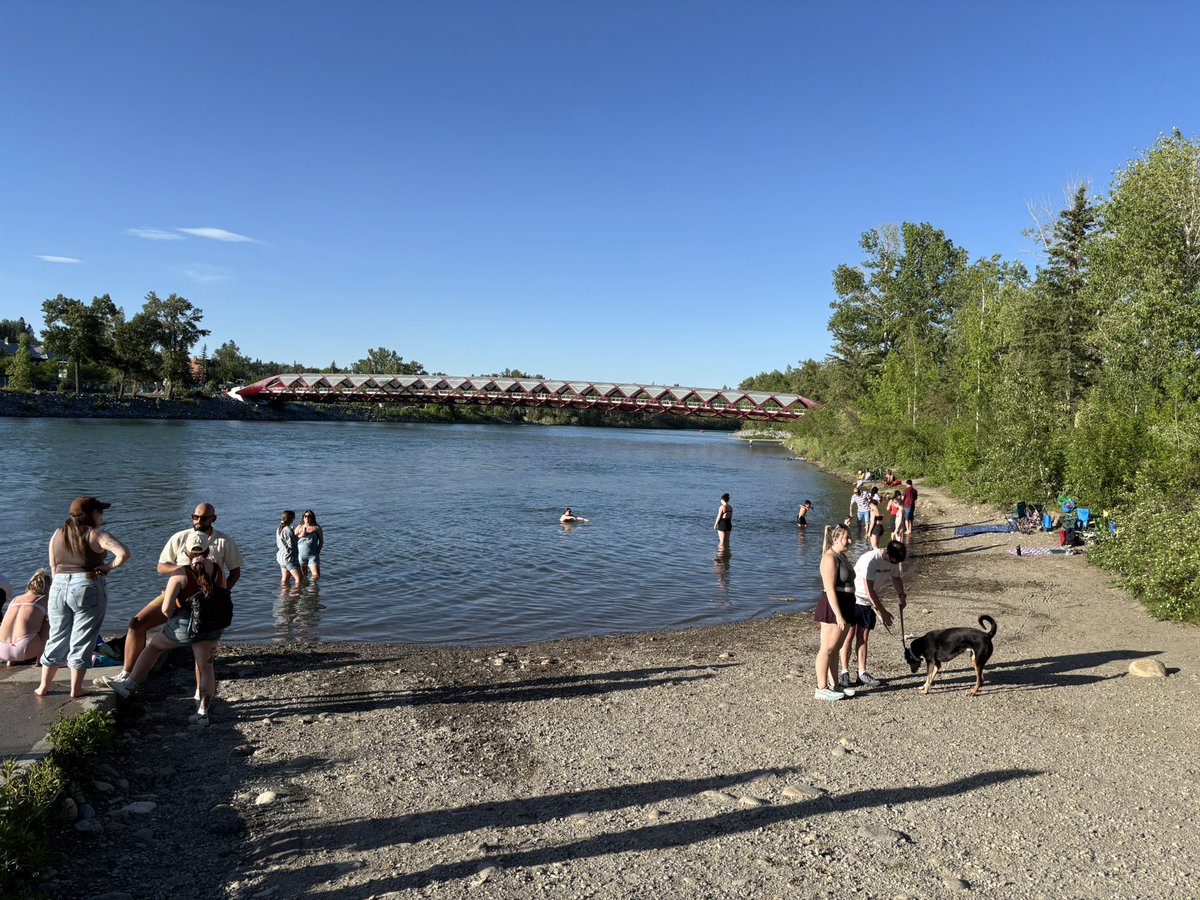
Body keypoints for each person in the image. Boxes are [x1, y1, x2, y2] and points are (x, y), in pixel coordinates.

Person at [108, 502, 243, 689]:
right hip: (176, 593)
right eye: (195, 517)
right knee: (137, 623)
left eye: (203, 518)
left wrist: (222, 595)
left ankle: (199, 694)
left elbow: (235, 571)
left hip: (206, 602)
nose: (198, 520)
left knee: (200, 651)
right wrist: (184, 571)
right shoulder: (180, 538)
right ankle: (127, 673)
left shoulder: (223, 542)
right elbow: (161, 566)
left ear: (214, 518)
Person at [107, 532, 226, 725]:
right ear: (208, 550)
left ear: (186, 551)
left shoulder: (180, 573)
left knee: (154, 647)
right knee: (206, 667)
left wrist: (172, 617)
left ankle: (128, 684)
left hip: (184, 626)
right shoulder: (218, 570)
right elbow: (223, 595)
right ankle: (203, 713)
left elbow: (166, 608)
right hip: (211, 625)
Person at [36, 497, 131, 698]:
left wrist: (60, 586)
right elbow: (123, 553)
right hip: (86, 585)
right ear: (92, 514)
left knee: (57, 635)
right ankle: (76, 689)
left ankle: (43, 686)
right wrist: (108, 567)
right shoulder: (96, 534)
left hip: (58, 585)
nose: (102, 516)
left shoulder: (57, 533)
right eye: (100, 512)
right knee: (83, 637)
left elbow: (53, 565)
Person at [839, 539, 907, 689]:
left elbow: (896, 578)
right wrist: (883, 612)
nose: (894, 564)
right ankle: (844, 672)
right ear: (887, 552)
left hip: (869, 602)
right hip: (854, 598)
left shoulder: (893, 561)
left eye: (897, 562)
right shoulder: (871, 560)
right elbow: (869, 591)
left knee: (863, 637)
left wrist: (901, 595)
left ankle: (862, 673)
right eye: (894, 561)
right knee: (848, 636)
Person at [813, 524, 857, 701]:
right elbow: (829, 589)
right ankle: (821, 687)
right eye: (847, 537)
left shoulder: (842, 556)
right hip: (834, 605)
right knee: (827, 648)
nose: (850, 540)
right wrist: (838, 614)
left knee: (837, 647)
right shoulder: (829, 558)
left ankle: (834, 683)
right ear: (836, 538)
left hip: (847, 603)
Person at [1, 569, 51, 665]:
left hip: (2, 650)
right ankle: (40, 659)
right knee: (47, 622)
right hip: (25, 649)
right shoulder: (43, 599)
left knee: (12, 622)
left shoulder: (15, 600)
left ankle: (10, 661)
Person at [295, 509, 324, 581]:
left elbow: (321, 541)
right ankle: (304, 590)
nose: (307, 518)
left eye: (309, 516)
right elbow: (292, 540)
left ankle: (312, 589)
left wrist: (318, 551)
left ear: (312, 517)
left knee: (316, 575)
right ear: (303, 517)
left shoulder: (317, 527)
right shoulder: (299, 527)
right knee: (303, 576)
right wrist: (301, 535)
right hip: (301, 555)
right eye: (305, 516)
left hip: (313, 555)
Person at [277, 510, 302, 589]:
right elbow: (292, 545)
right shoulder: (288, 529)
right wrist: (299, 536)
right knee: (299, 579)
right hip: (289, 558)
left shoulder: (279, 528)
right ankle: (294, 596)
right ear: (292, 518)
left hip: (281, 557)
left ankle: (283, 597)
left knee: (285, 579)